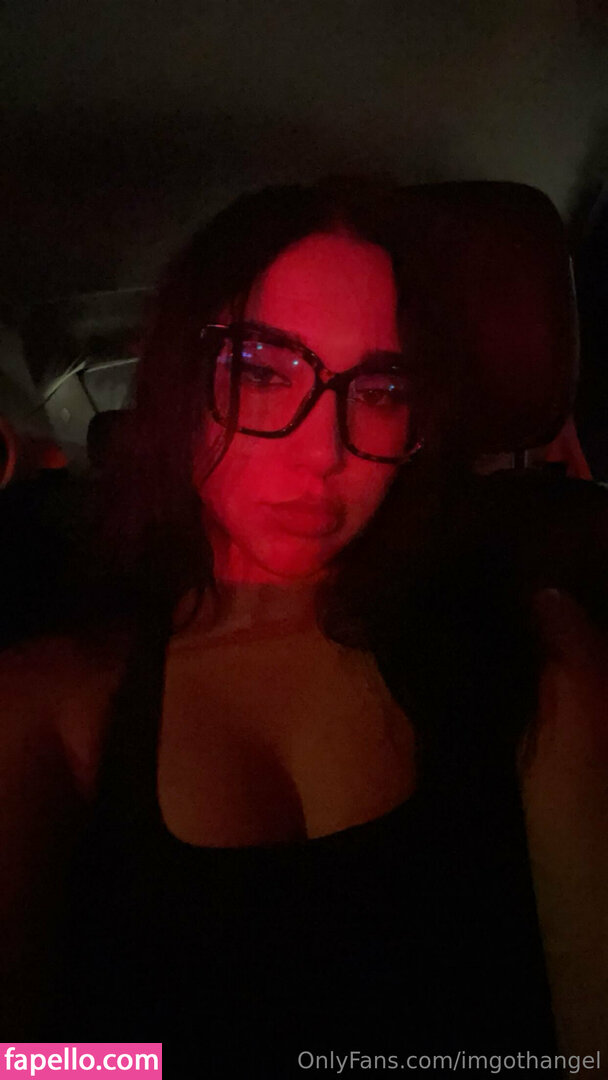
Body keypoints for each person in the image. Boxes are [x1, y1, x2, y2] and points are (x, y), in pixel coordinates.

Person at [1, 178, 606, 1075]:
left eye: (382, 390)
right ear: (177, 379)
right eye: (260, 371)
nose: (324, 452)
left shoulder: (538, 652)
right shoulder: (49, 704)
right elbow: (22, 1061)